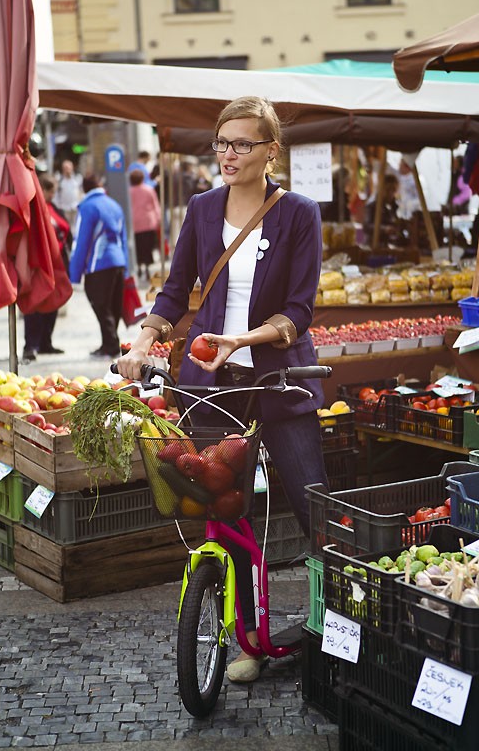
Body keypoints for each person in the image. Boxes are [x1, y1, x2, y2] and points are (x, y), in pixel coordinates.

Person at [117, 95, 328, 683]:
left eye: (241, 143)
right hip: (211, 384)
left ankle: (334, 623)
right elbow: (175, 287)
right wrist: (141, 345)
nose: (228, 153)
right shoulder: (204, 208)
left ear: (270, 150)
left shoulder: (299, 213)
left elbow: (298, 311)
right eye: (222, 142)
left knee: (314, 506)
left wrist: (244, 338)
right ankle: (246, 638)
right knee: (221, 506)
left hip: (279, 379)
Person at [69, 174, 129, 358]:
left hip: (98, 263)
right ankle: (108, 343)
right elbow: (123, 238)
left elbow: (82, 241)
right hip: (118, 260)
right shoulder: (114, 204)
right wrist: (126, 265)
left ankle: (110, 345)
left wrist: (75, 273)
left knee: (101, 305)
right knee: (113, 306)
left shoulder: (87, 207)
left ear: (84, 189)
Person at [22, 175, 72, 362]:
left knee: (53, 304)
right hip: (37, 266)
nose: (52, 194)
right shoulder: (30, 208)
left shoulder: (54, 208)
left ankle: (45, 343)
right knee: (34, 304)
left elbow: (66, 232)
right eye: (49, 190)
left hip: (57, 265)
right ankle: (31, 345)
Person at [129, 169, 162, 280]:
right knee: (147, 246)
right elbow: (155, 205)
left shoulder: (128, 191)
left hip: (134, 223)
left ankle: (139, 267)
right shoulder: (149, 190)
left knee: (137, 247)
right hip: (148, 222)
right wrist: (158, 219)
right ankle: (147, 268)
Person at [363, 173, 406, 245]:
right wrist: (384, 229)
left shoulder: (394, 207)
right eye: (388, 190)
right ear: (382, 189)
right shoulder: (372, 206)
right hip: (373, 245)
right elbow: (367, 226)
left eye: (393, 190)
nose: (391, 193)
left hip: (389, 245)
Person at [54, 159, 83, 228]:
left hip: (75, 208)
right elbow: (56, 195)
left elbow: (81, 191)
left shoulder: (77, 178)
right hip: (64, 209)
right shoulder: (60, 180)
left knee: (76, 227)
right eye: (65, 168)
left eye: (68, 168)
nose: (67, 170)